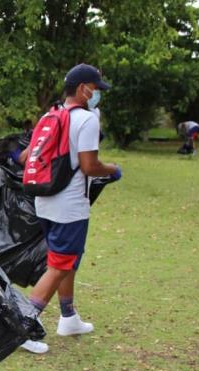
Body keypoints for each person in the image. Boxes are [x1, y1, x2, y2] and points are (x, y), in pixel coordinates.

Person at [19, 63, 122, 354]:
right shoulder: (87, 120)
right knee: (58, 266)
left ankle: (68, 317)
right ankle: (20, 326)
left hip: (45, 200)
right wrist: (112, 169)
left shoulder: (50, 115)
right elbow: (90, 166)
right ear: (82, 89)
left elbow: (27, 156)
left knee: (66, 261)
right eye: (95, 89)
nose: (97, 95)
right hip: (70, 206)